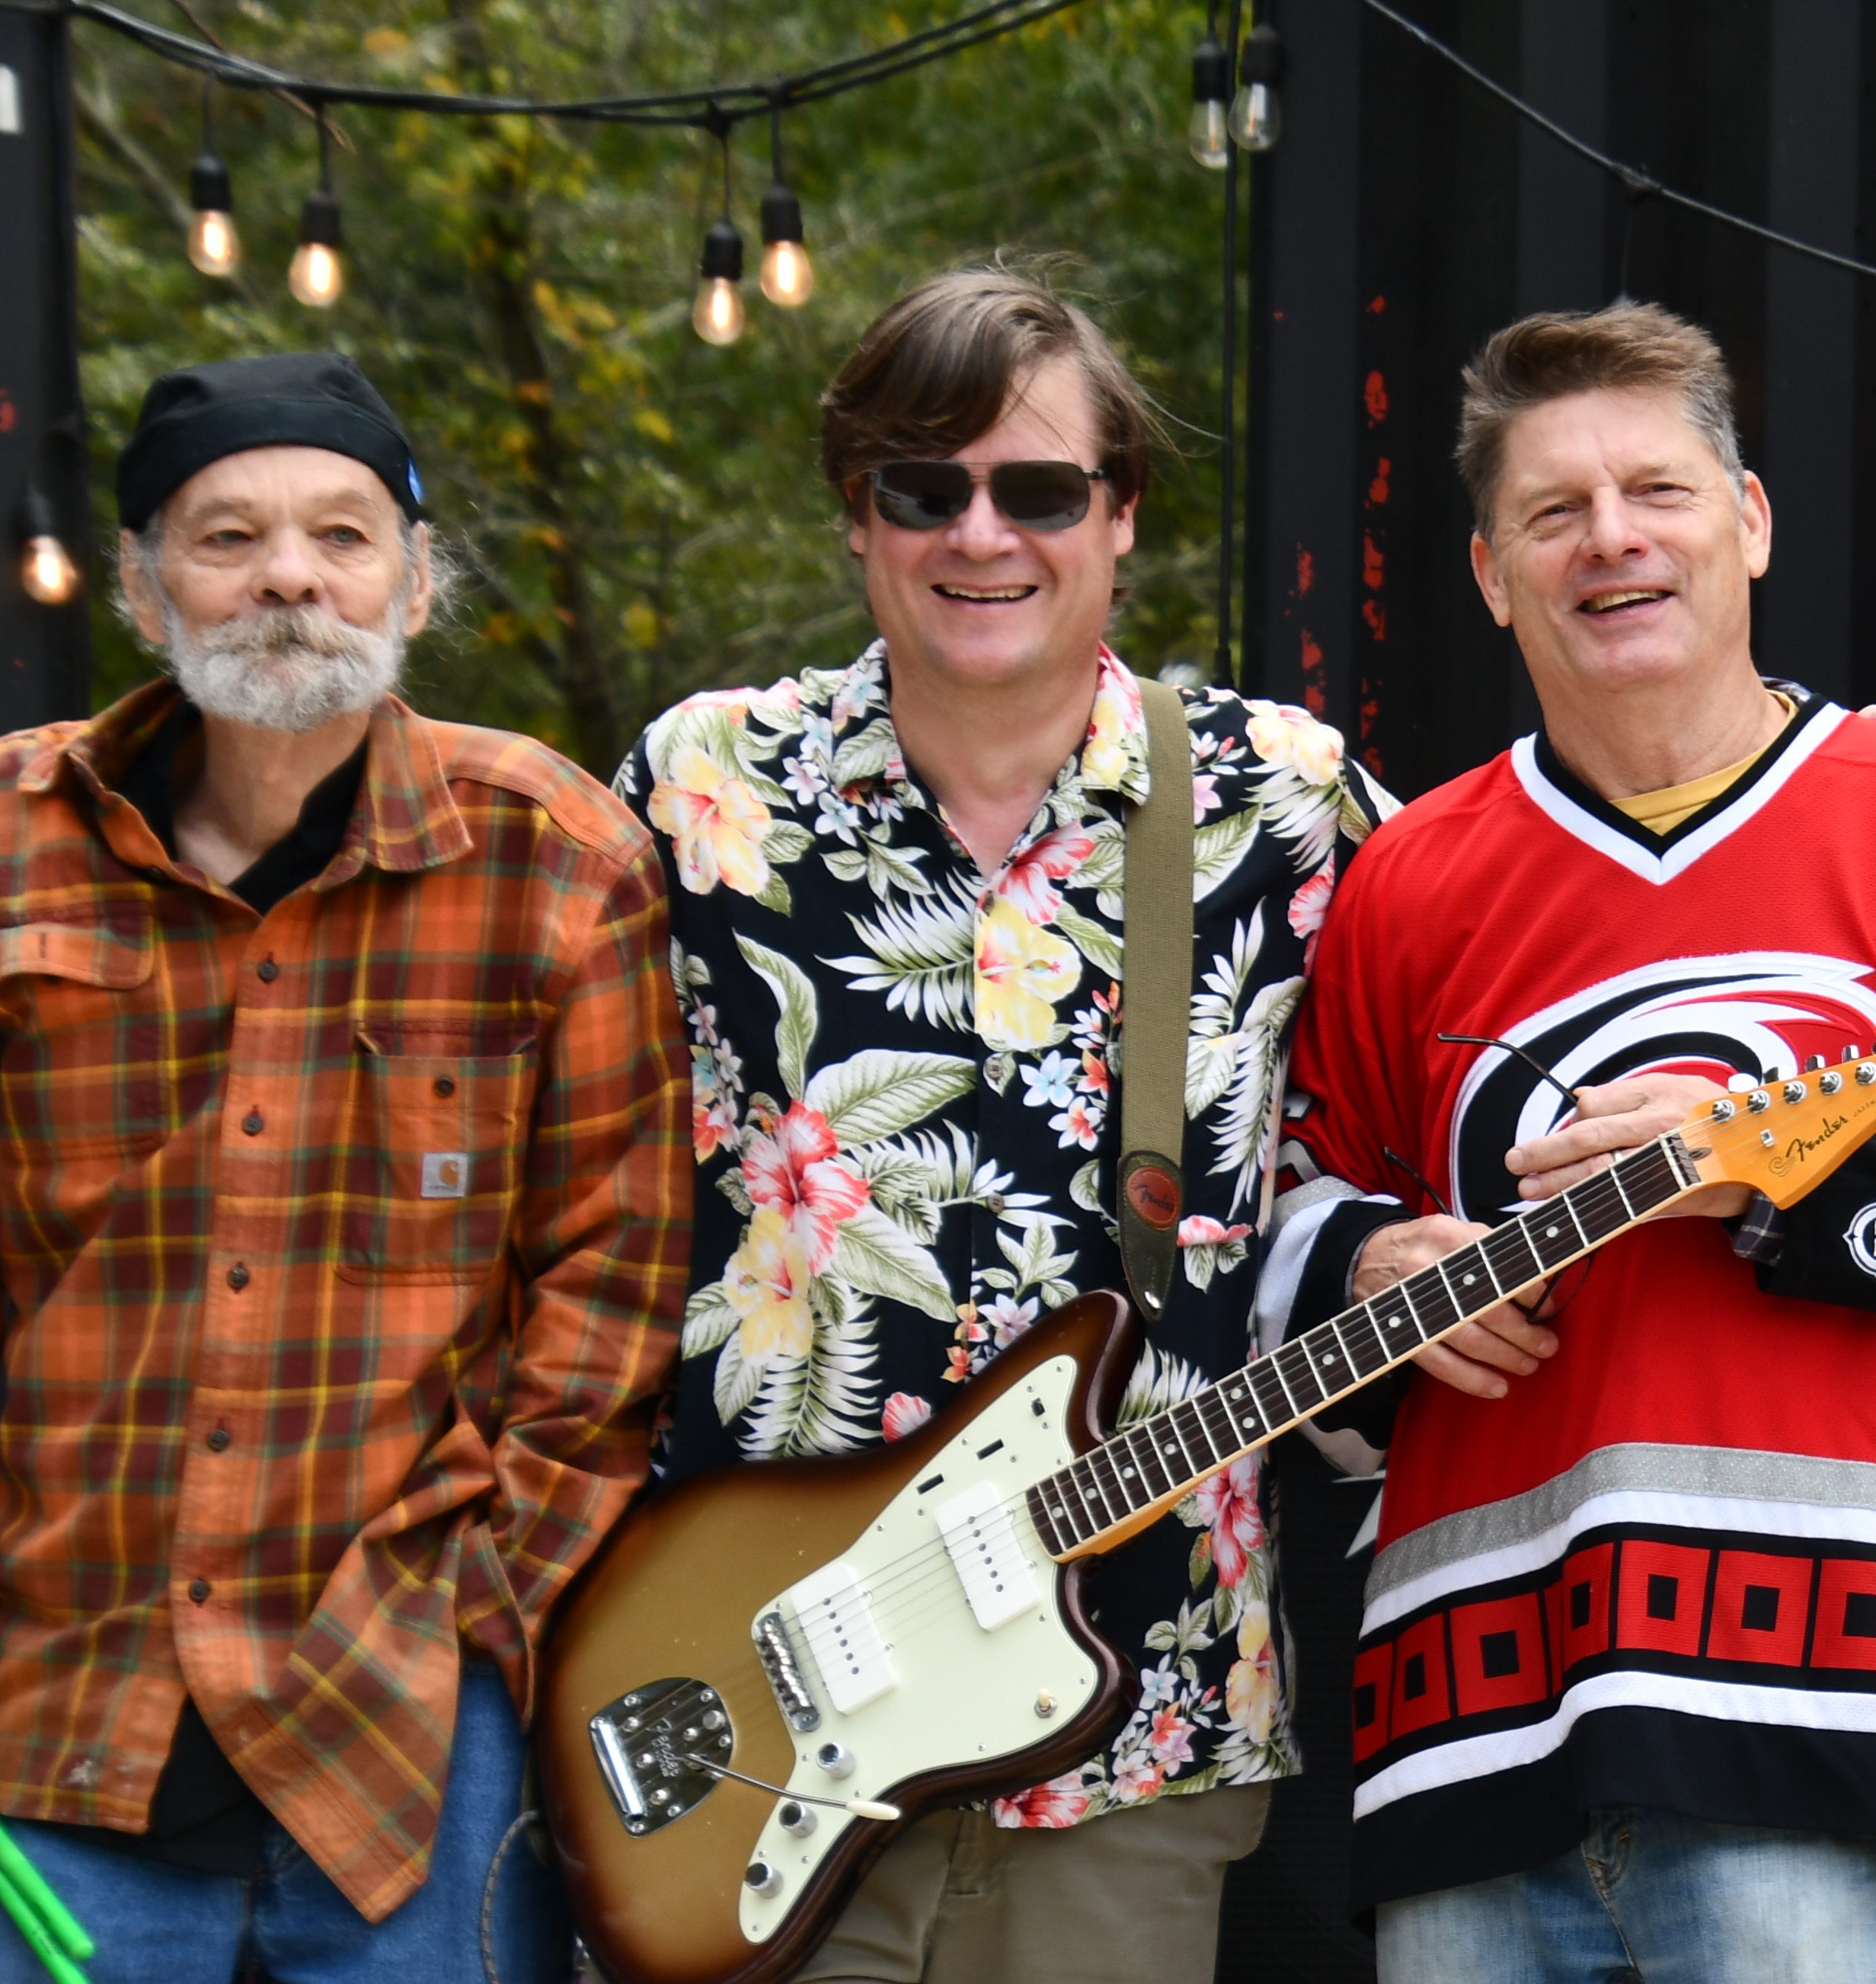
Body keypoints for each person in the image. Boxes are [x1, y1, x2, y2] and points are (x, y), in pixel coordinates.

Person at [1252, 301, 1876, 1982]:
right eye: (1554, 510)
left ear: (1749, 522)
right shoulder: (1406, 880)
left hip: (1824, 1728)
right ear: (1490, 574)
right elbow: (1281, 1244)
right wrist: (1365, 1265)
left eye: (1658, 491)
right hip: (1467, 1749)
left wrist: (1793, 1179)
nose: (1611, 538)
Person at [615, 267, 1405, 1984]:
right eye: (926, 486)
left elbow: (1498, 997)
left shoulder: (1280, 797)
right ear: (858, 516)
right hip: (749, 1705)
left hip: (1136, 1720)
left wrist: (1838, 781)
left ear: (1120, 515)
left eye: (1039, 489)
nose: (982, 534)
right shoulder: (698, 786)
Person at [0, 352, 692, 1982]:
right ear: (140, 583)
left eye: (341, 533)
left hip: (414, 1726)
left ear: (416, 577)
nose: (288, 577)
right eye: (227, 536)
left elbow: (611, 1303)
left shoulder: (554, 860)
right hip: (69, 1710)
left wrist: (491, 1626)